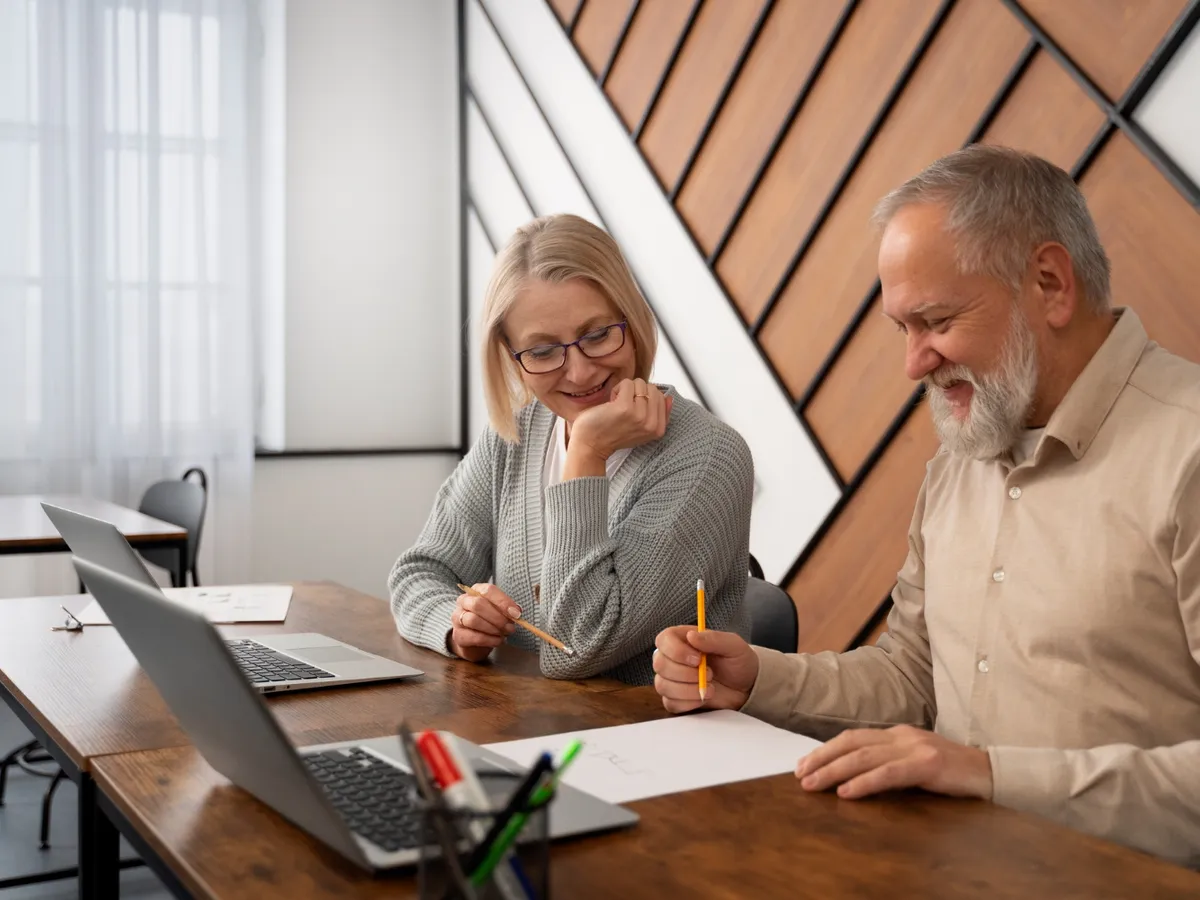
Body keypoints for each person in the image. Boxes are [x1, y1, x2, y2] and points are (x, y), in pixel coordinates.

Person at [652, 146, 1200, 867]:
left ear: (1050, 283)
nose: (914, 363)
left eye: (936, 321)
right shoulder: (959, 461)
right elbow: (913, 677)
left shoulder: (1187, 451)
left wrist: (990, 776)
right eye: (901, 329)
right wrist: (756, 679)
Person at [390, 213, 753, 685]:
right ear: (512, 359)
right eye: (542, 352)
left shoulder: (708, 457)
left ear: (633, 322)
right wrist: (458, 626)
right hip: (526, 718)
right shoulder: (516, 436)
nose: (580, 372)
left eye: (598, 335)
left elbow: (576, 648)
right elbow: (420, 571)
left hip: (653, 726)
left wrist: (586, 452)